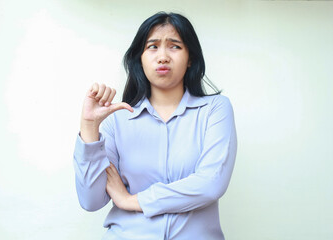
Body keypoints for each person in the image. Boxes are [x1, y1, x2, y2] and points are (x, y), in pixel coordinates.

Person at [73, 12, 237, 240]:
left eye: (175, 46)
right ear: (139, 57)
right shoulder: (116, 120)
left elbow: (211, 183)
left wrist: (131, 200)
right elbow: (91, 201)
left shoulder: (214, 110)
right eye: (152, 46)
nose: (162, 57)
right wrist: (89, 127)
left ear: (190, 57)